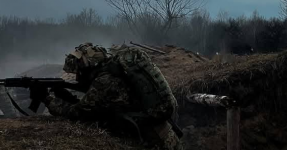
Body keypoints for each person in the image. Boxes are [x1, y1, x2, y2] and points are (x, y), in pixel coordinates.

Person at [41, 43, 182, 150]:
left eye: (79, 72)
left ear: (88, 68)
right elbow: (95, 107)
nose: (77, 77)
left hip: (155, 141)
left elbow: (79, 112)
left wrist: (48, 100)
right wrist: (66, 95)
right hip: (162, 135)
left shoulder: (104, 81)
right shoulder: (112, 72)